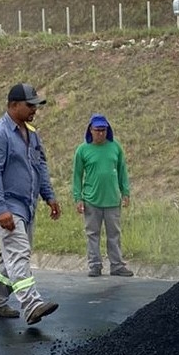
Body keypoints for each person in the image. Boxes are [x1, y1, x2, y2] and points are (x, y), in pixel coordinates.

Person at [0, 83, 61, 326]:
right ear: (13, 105)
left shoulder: (31, 134)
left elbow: (40, 166)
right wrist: (0, 209)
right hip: (8, 206)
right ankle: (32, 304)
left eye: (35, 105)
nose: (34, 110)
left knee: (10, 258)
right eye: (30, 105)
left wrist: (49, 196)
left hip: (27, 207)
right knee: (19, 253)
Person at [73, 114, 133, 277]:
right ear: (90, 131)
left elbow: (122, 171)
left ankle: (117, 265)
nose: (100, 133)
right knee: (93, 234)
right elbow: (77, 175)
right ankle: (95, 265)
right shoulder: (83, 150)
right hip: (92, 199)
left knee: (114, 234)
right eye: (97, 130)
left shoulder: (115, 147)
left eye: (103, 130)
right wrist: (78, 198)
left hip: (113, 199)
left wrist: (125, 192)